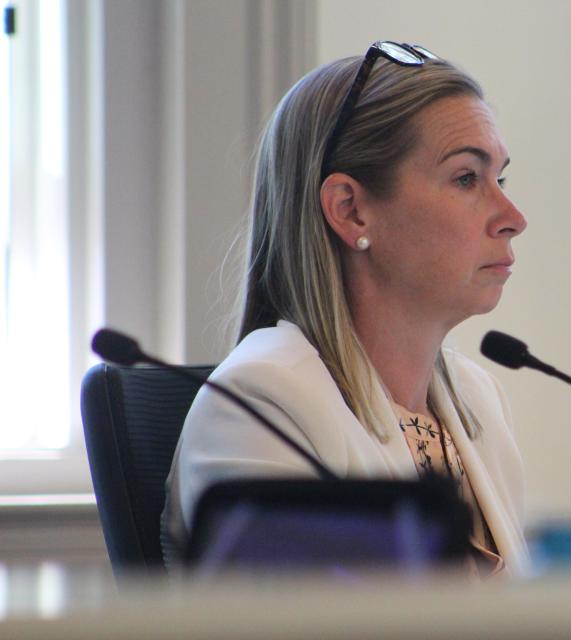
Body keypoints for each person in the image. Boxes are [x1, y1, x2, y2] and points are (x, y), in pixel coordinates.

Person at [162, 42, 529, 576]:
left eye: (502, 178)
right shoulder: (261, 404)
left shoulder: (479, 400)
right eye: (467, 178)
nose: (512, 216)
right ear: (351, 211)